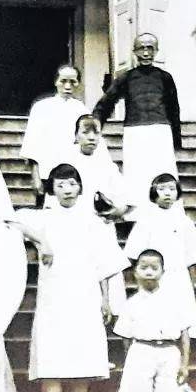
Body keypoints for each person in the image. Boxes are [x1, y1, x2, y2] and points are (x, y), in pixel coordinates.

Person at [7, 163, 129, 392]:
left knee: (82, 362)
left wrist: (105, 300)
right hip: (54, 298)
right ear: (52, 189)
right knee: (52, 360)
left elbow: (103, 264)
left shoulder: (93, 222)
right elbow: (10, 220)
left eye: (72, 183)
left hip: (85, 296)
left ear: (80, 187)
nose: (67, 189)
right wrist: (41, 241)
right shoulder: (44, 217)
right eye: (60, 184)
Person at [124, 173, 196, 392]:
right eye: (162, 189)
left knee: (180, 329)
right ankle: (147, 380)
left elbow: (192, 258)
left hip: (178, 281)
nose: (167, 193)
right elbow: (134, 255)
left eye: (171, 188)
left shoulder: (184, 222)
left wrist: (189, 285)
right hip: (153, 281)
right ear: (154, 193)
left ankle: (182, 380)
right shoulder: (146, 221)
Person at [114, 249, 194, 392]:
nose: (149, 272)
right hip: (141, 351)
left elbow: (184, 335)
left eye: (154, 267)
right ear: (135, 272)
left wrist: (184, 364)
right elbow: (125, 338)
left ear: (162, 271)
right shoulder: (131, 304)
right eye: (144, 267)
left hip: (169, 352)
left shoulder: (174, 301)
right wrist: (132, 362)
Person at [92, 33, 181, 215]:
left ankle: (168, 212)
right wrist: (94, 122)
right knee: (136, 174)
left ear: (156, 51)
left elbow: (174, 109)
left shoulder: (165, 77)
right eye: (141, 48)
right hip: (135, 132)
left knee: (163, 172)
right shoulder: (126, 77)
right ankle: (136, 214)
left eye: (150, 48)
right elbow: (107, 102)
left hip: (160, 131)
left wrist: (176, 140)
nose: (146, 53)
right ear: (134, 51)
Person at [56, 113, 133, 315]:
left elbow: (125, 196)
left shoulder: (106, 165)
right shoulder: (66, 164)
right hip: (74, 227)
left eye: (96, 133)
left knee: (108, 277)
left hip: (101, 227)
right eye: (85, 132)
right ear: (76, 135)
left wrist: (118, 209)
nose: (91, 137)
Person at [20, 65, 90, 206]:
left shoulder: (82, 109)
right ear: (56, 82)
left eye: (72, 82)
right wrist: (36, 177)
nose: (68, 86)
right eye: (63, 81)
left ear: (78, 83)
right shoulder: (41, 108)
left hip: (73, 174)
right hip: (47, 173)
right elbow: (32, 143)